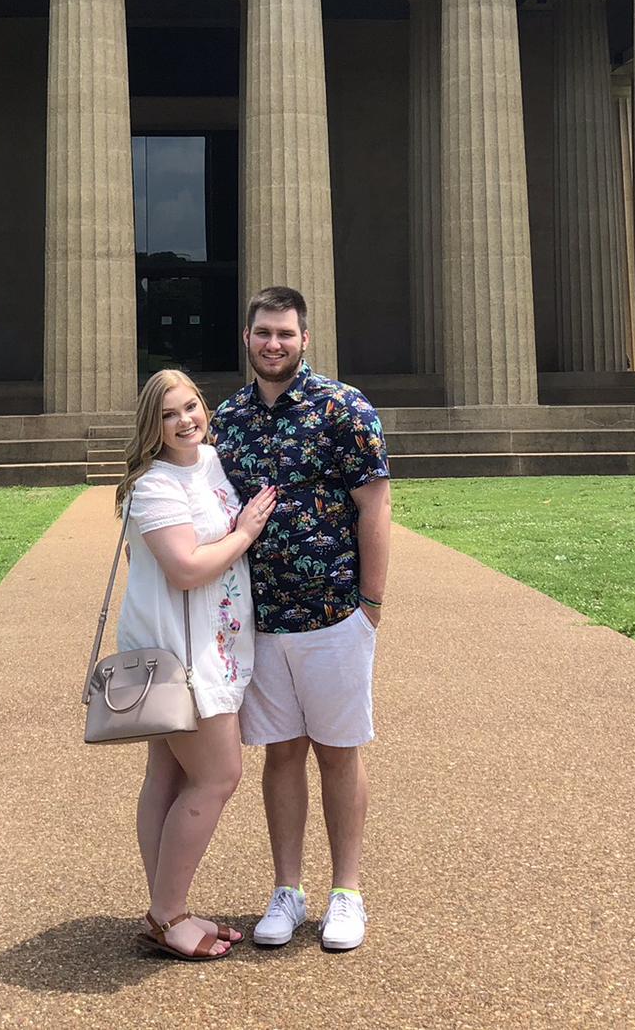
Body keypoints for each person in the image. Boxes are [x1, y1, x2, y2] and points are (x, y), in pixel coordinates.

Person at [212, 286, 391, 952]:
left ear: (304, 339)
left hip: (334, 612)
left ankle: (347, 893)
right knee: (281, 756)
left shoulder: (343, 408)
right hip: (260, 620)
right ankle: (287, 890)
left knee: (339, 756)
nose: (274, 344)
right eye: (263, 333)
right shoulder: (227, 420)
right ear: (247, 338)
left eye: (285, 334)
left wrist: (370, 605)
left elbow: (375, 506)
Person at [117, 369, 279, 962]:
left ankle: (167, 907)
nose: (187, 420)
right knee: (217, 776)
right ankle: (168, 915)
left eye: (192, 406)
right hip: (181, 657)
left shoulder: (208, 462)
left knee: (167, 774)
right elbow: (185, 568)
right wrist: (245, 533)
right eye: (170, 414)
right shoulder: (154, 485)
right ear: (151, 427)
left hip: (213, 644)